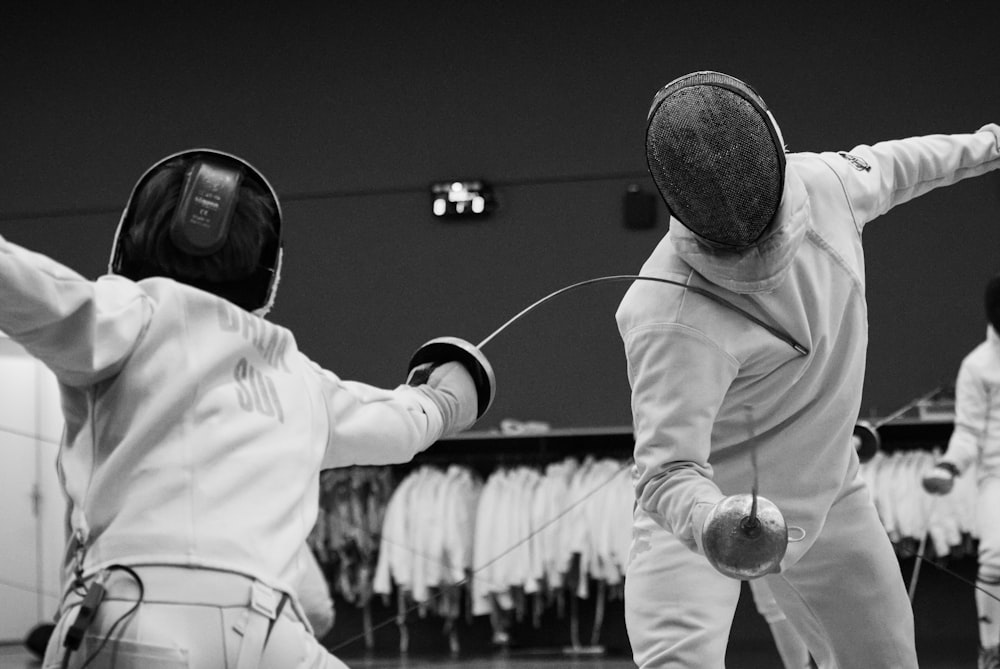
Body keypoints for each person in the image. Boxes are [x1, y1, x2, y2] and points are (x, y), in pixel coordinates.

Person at [0, 148, 493, 669]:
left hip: (129, 613)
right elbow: (403, 421)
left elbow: (23, 285)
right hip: (266, 630)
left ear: (133, 239)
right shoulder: (298, 373)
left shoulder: (127, 315)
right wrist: (445, 399)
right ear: (268, 270)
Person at [616, 70, 1000, 668]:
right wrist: (713, 520)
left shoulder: (828, 184)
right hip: (704, 522)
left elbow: (913, 163)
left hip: (830, 493)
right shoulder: (666, 311)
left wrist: (993, 143)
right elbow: (667, 473)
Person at [923, 273, 1000, 669]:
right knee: (994, 558)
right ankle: (992, 649)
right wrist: (950, 466)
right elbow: (968, 432)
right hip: (996, 476)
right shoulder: (978, 365)